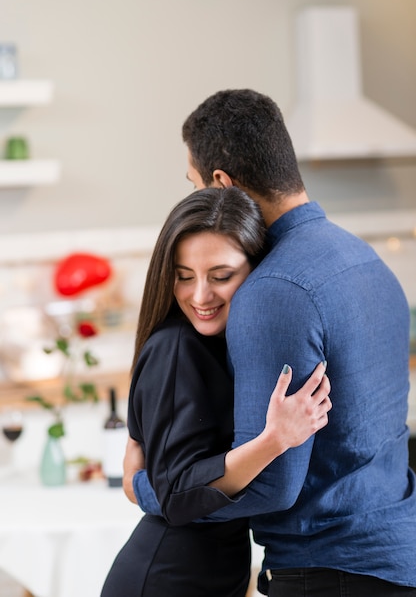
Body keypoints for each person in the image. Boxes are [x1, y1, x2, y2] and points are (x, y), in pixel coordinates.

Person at [133, 89, 416, 596]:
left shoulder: (272, 292)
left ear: (222, 184)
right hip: (399, 553)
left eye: (195, 183)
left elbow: (273, 484)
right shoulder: (365, 259)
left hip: (331, 571)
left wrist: (147, 489)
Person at [101, 187, 331, 597]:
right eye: (183, 276)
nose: (200, 296)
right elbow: (179, 494)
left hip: (209, 574)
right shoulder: (177, 346)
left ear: (256, 269)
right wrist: (276, 440)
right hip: (168, 578)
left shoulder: (223, 342)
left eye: (221, 276)